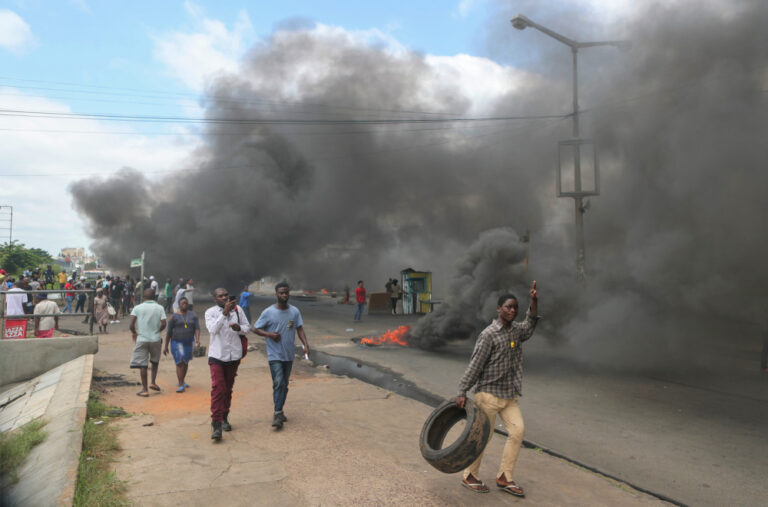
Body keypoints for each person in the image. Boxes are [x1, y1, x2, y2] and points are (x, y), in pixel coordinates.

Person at [455, 282, 540, 497]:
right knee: (484, 436)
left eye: (515, 308)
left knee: (518, 431)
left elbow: (529, 326)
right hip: (488, 395)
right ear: (499, 309)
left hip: (509, 395)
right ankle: (469, 475)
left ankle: (504, 477)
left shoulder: (516, 331)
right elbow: (475, 365)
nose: (512, 310)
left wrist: (534, 302)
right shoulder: (489, 335)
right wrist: (462, 391)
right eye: (508, 307)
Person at [253, 282, 310, 430]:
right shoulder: (268, 312)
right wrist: (270, 334)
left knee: (284, 385)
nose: (284, 295)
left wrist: (305, 344)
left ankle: (280, 410)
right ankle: (277, 414)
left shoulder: (295, 311)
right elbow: (256, 329)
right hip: (274, 354)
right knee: (278, 382)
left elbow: (300, 328)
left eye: (286, 292)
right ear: (276, 294)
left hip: (289, 354)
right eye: (281, 293)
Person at [206, 288, 250, 440]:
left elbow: (247, 328)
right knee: (218, 388)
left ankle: (225, 417)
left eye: (226, 295)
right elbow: (213, 329)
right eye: (220, 296)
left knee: (228, 389)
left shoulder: (239, 311)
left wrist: (239, 328)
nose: (224, 297)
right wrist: (224, 313)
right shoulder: (210, 312)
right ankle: (216, 424)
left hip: (233, 356)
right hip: (217, 355)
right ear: (215, 299)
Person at [130, 288, 167, 397]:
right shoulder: (160, 308)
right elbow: (164, 323)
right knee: (155, 361)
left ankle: (145, 390)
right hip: (156, 339)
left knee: (143, 365)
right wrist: (157, 331)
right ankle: (153, 382)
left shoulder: (137, 308)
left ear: (143, 297)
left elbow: (131, 324)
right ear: (154, 297)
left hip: (142, 339)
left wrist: (134, 333)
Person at [164, 297, 200, 392]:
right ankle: (181, 385)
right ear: (179, 305)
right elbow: (169, 332)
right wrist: (165, 346)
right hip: (176, 342)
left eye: (186, 303)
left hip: (189, 342)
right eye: (182, 303)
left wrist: (197, 339)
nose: (184, 304)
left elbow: (197, 328)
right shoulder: (174, 317)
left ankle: (182, 381)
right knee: (180, 362)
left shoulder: (193, 315)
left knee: (186, 362)